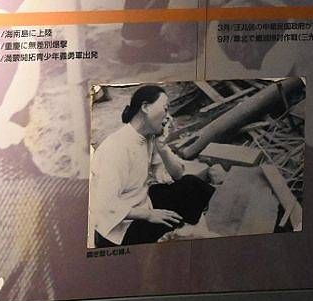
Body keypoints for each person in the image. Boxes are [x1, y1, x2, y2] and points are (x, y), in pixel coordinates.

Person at [88, 85, 220, 247]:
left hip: (142, 204)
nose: (168, 117)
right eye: (165, 109)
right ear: (145, 107)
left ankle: (222, 216)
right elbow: (104, 204)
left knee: (191, 185)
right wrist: (149, 215)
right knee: (174, 227)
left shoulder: (148, 138)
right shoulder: (116, 148)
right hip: (118, 230)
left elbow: (178, 175)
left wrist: (162, 147)